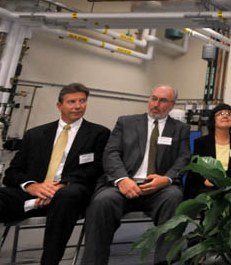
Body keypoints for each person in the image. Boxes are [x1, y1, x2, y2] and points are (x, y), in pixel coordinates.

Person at [0, 83, 109, 265]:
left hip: (69, 195)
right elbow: (13, 172)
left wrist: (61, 185)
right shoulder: (35, 134)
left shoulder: (98, 134)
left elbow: (97, 169)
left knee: (67, 195)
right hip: (33, 193)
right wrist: (33, 187)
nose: (78, 106)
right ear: (59, 106)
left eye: (82, 101)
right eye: (72, 101)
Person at [81, 85, 191, 265]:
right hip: (123, 185)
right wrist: (122, 179)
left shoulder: (180, 129)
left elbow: (184, 157)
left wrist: (167, 179)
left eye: (162, 100)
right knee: (102, 202)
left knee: (174, 198)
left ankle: (166, 262)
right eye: (153, 98)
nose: (156, 104)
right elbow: (111, 153)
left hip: (159, 188)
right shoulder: (126, 122)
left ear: (172, 105)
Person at [184, 103, 231, 200]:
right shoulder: (201, 142)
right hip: (206, 185)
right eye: (221, 113)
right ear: (213, 120)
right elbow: (195, 168)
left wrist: (226, 182)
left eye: (229, 114)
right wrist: (206, 181)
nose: (225, 115)